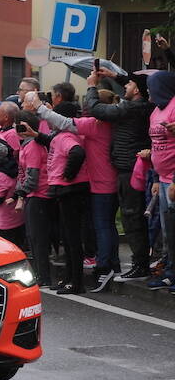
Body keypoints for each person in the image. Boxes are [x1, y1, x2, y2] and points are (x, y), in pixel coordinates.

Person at [31, 81, 120, 293]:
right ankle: (103, 266)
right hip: (95, 183)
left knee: (97, 229)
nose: (86, 112)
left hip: (95, 184)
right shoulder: (97, 125)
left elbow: (68, 134)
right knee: (98, 228)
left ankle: (103, 268)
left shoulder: (95, 124)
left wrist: (67, 175)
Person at [88, 68, 154, 281]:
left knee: (132, 218)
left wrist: (91, 86)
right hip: (135, 168)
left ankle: (140, 265)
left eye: (128, 84)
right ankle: (143, 261)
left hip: (128, 170)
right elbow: (137, 85)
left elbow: (96, 109)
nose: (125, 86)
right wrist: (114, 76)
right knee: (136, 217)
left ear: (137, 90)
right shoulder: (147, 105)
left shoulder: (129, 108)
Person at [31, 102, 90, 294]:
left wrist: (69, 174)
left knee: (72, 238)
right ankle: (68, 278)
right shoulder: (59, 136)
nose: (49, 121)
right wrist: (36, 135)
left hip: (71, 190)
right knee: (67, 236)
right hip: (63, 190)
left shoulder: (66, 136)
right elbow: (52, 143)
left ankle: (76, 281)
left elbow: (77, 152)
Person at [145, 71, 175, 291]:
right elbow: (156, 146)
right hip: (162, 178)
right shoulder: (155, 111)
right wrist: (156, 177)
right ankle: (170, 272)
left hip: (173, 179)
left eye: (151, 86)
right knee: (168, 232)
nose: (149, 91)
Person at [15, 110, 53, 287]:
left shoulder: (33, 146)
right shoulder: (25, 145)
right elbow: (22, 173)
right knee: (32, 237)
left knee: (38, 238)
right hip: (32, 194)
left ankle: (43, 275)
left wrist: (21, 193)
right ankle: (39, 273)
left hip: (39, 194)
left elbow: (33, 175)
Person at [0, 141, 24, 247]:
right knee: (19, 240)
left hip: (6, 217)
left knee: (9, 244)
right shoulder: (13, 167)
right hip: (18, 214)